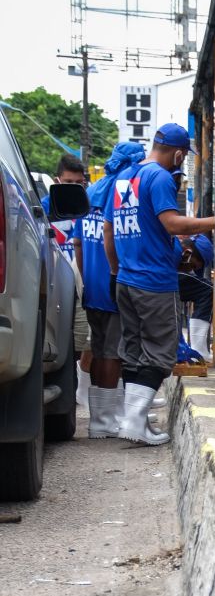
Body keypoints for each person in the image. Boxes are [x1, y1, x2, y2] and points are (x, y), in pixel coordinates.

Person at [103, 123, 215, 445]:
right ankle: (136, 422)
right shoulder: (161, 177)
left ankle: (131, 419)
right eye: (183, 156)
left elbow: (110, 232)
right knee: (161, 352)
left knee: (134, 351)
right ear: (179, 153)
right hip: (153, 281)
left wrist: (115, 273)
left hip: (125, 278)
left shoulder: (124, 177)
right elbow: (171, 223)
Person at [74, 141, 146, 437]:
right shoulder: (123, 192)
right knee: (112, 354)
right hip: (115, 282)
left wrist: (88, 275)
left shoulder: (89, 192)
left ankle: (102, 418)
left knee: (102, 349)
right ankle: (103, 422)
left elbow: (78, 242)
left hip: (92, 284)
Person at [44, 152, 94, 406]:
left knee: (87, 340)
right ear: (56, 181)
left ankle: (81, 393)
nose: (74, 188)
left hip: (81, 283)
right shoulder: (44, 207)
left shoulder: (87, 208)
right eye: (68, 183)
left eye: (79, 184)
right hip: (52, 283)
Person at [177, 233, 214, 357]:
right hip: (154, 278)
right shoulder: (174, 248)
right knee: (208, 290)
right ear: (189, 253)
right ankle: (198, 349)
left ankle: (197, 349)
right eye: (192, 266)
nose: (189, 270)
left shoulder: (181, 256)